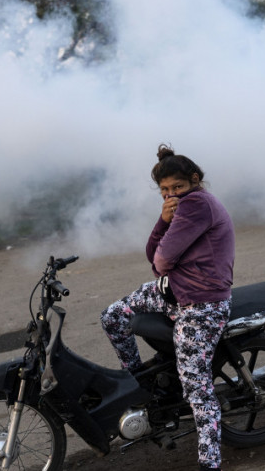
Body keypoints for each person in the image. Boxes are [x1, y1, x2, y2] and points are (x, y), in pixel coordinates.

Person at [101, 144, 235, 471]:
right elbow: (154, 253)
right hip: (174, 291)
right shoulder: (179, 207)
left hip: (202, 305)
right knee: (113, 316)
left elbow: (161, 260)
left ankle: (210, 462)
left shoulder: (197, 204)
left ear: (195, 181)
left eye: (177, 187)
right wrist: (162, 222)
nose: (171, 195)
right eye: (164, 190)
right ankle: (140, 385)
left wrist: (164, 261)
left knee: (197, 390)